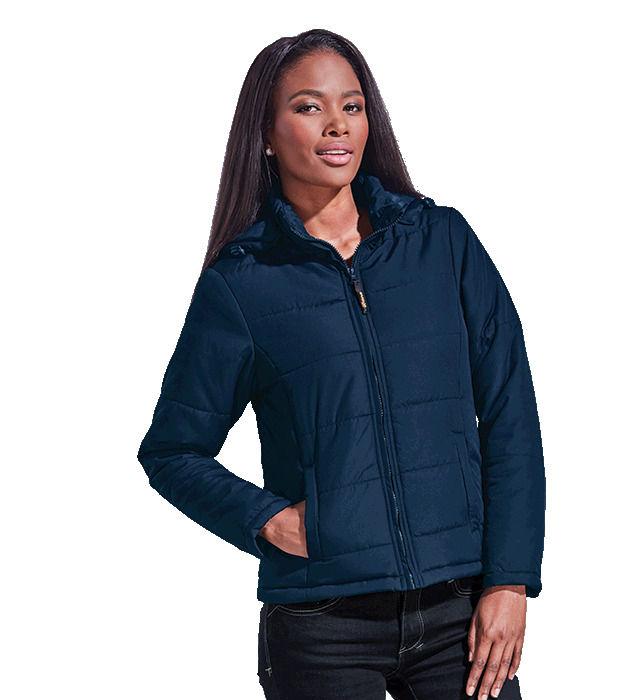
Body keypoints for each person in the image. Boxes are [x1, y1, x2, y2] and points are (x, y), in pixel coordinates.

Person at [137, 28, 545, 700]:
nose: (337, 125)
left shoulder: (442, 243)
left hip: (459, 611)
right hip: (321, 624)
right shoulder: (242, 284)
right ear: (266, 135)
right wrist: (266, 519)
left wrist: (510, 579)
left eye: (352, 106)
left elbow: (509, 412)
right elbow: (173, 450)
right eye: (309, 107)